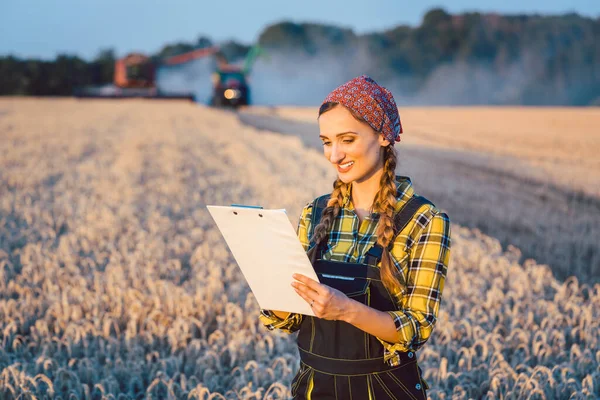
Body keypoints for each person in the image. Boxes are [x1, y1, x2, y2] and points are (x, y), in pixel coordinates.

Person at [259, 75, 452, 399]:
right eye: (326, 141)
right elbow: (288, 320)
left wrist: (345, 309)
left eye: (347, 140)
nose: (334, 155)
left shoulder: (424, 220)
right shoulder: (315, 212)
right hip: (313, 388)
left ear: (383, 136)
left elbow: (416, 328)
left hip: (385, 390)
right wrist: (271, 285)